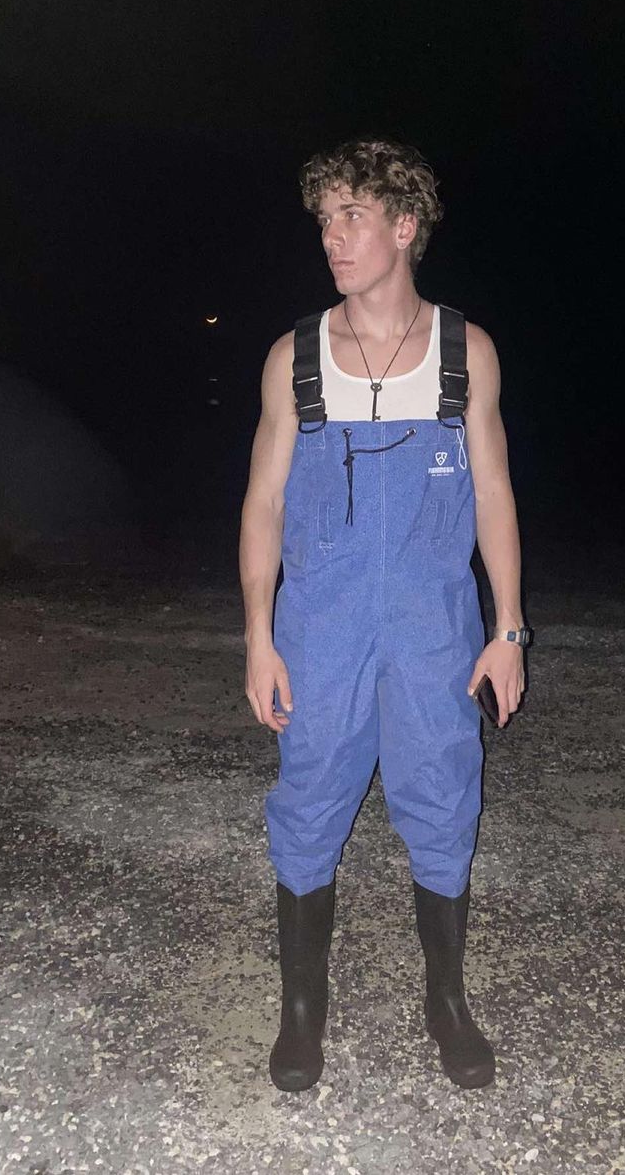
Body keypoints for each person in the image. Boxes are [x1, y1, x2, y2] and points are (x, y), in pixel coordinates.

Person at [239, 138, 530, 1092]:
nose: (332, 236)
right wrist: (258, 637)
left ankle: (447, 1003)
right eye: (325, 219)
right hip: (320, 627)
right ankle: (301, 1012)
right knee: (308, 800)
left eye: (352, 216)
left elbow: (494, 493)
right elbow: (263, 505)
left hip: (433, 625)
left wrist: (508, 630)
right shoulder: (294, 359)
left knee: (443, 796)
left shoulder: (465, 353)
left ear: (405, 228)